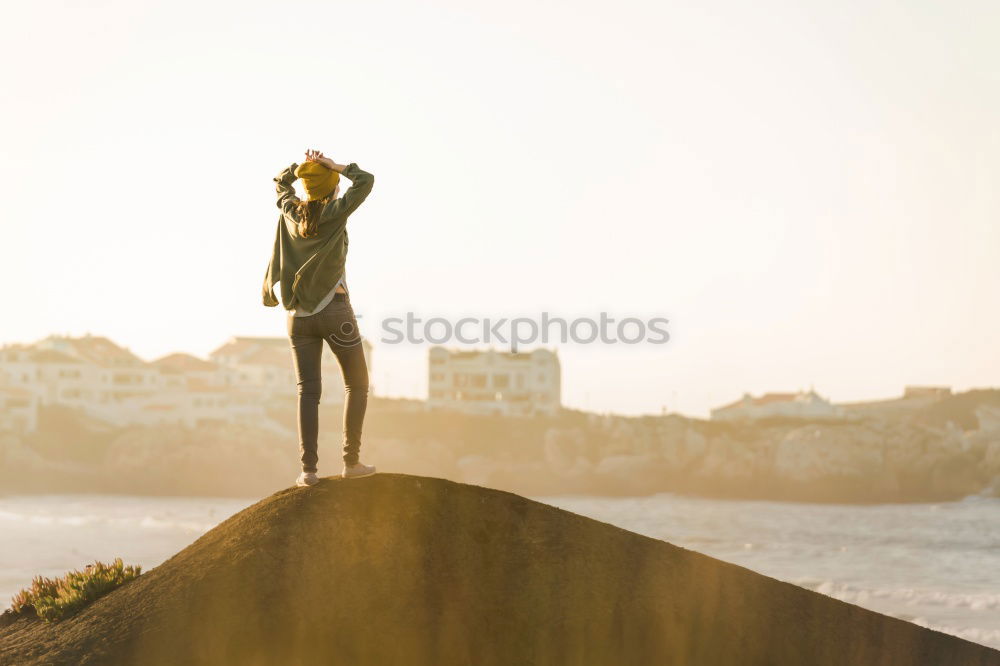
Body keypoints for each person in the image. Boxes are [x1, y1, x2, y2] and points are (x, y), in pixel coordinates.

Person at [262, 148, 376, 486]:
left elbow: (281, 186)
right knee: (357, 384)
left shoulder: (290, 212)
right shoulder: (335, 213)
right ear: (331, 187)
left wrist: (301, 168)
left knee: (308, 392)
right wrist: (332, 165)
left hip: (298, 318)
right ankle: (350, 462)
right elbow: (365, 181)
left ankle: (308, 472)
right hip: (334, 311)